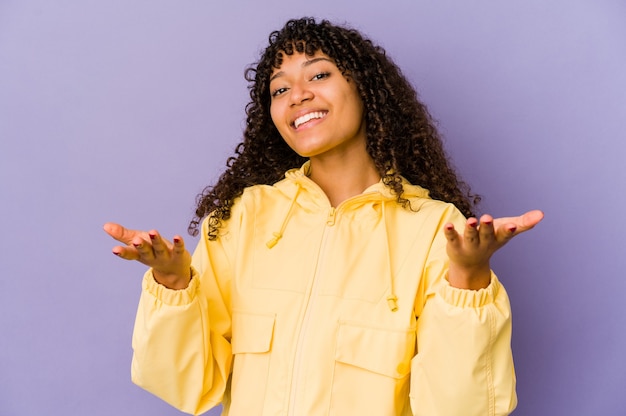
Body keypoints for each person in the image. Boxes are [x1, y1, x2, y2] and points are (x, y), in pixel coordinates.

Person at [104, 17, 543, 416]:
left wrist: (468, 279)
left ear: (365, 89)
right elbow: (188, 384)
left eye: (318, 74)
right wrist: (173, 284)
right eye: (279, 89)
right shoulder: (246, 216)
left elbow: (460, 408)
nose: (298, 95)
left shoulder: (434, 227)